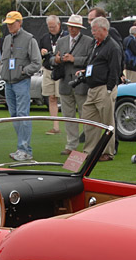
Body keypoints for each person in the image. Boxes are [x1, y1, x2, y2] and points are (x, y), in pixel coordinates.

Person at [0, 11, 41, 161]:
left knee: (23, 115)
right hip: (8, 83)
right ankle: (20, 148)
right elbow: (4, 60)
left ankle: (25, 150)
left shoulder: (29, 39)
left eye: (12, 23)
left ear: (19, 22)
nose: (9, 26)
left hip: (21, 82)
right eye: (8, 23)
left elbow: (37, 62)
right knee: (14, 116)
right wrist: (2, 72)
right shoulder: (7, 39)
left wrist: (23, 71)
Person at [82, 16, 122, 161]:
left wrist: (109, 89)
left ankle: (107, 152)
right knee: (88, 119)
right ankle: (90, 150)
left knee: (107, 122)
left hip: (104, 88)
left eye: (95, 30)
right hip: (92, 88)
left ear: (104, 29)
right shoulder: (95, 44)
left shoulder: (113, 47)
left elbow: (115, 70)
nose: (92, 32)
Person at [53, 14, 93, 155]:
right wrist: (56, 60)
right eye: (70, 26)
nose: (72, 29)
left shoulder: (88, 41)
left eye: (75, 27)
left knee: (85, 116)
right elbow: (53, 59)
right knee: (68, 116)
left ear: (80, 28)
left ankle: (89, 145)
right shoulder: (62, 41)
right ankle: (71, 145)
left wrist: (74, 59)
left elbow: (90, 61)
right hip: (65, 84)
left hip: (81, 84)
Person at [38, 15, 63, 133]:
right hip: (48, 70)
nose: (51, 29)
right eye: (49, 27)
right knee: (51, 98)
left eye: (53, 26)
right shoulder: (44, 38)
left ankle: (69, 126)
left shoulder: (65, 36)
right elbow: (39, 53)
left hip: (61, 71)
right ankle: (55, 126)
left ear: (59, 25)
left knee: (63, 98)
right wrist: (41, 52)